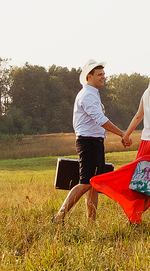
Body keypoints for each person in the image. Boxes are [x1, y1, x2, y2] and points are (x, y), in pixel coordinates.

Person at [90, 63, 150, 233]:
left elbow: (138, 116)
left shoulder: (147, 93)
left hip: (146, 143)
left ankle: (136, 217)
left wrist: (126, 135)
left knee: (143, 184)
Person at [52, 60, 131, 223]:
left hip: (95, 143)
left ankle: (91, 222)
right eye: (99, 74)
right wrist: (122, 134)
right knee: (86, 183)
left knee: (95, 183)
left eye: (104, 74)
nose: (103, 77)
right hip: (88, 143)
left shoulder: (93, 93)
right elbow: (100, 120)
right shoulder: (87, 95)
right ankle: (59, 216)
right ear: (89, 77)